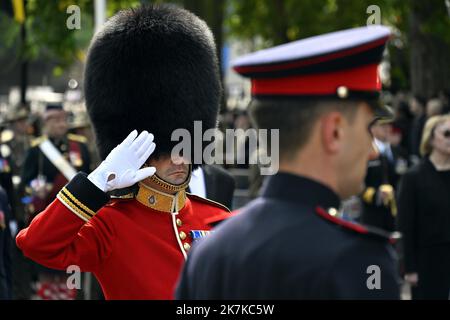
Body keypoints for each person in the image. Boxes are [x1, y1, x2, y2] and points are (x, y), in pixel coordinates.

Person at [16, 4, 229, 300]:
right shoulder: (111, 225)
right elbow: (36, 245)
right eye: (165, 148)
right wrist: (97, 182)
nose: (180, 157)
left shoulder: (217, 218)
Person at [176, 26, 401, 299]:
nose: (373, 151)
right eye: (368, 129)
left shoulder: (209, 250)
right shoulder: (358, 261)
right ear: (335, 132)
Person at [397, 114, 450, 299]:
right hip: (428, 262)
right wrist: (409, 267)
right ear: (431, 138)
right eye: (447, 133)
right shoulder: (414, 177)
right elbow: (405, 224)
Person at [360, 121, 408, 232]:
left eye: (389, 125)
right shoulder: (366, 153)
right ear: (372, 128)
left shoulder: (400, 152)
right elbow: (357, 184)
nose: (387, 128)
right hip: (373, 215)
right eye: (382, 125)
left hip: (396, 214)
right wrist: (375, 194)